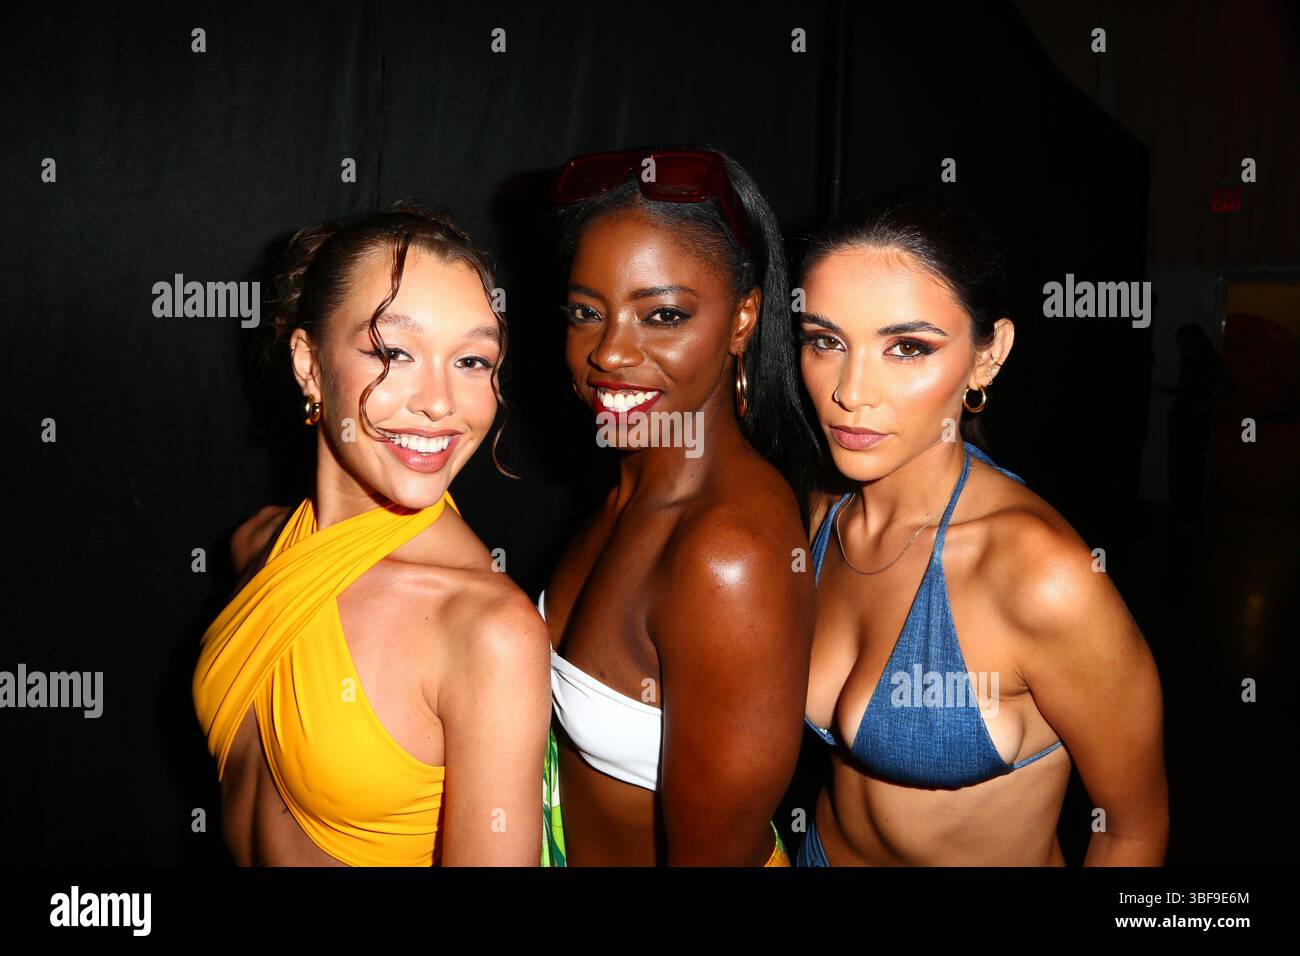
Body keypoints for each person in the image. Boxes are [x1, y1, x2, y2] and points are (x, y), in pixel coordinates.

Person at [794, 188, 1168, 865]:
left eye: (906, 348)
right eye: (826, 341)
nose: (850, 391)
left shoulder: (1042, 577)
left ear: (988, 356)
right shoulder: (823, 512)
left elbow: (1131, 830)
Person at [192, 203, 551, 866]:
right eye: (393, 352)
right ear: (308, 363)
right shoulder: (260, 545)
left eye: (472, 360)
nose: (440, 402)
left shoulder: (486, 631)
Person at [541, 146, 820, 865]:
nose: (609, 354)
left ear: (743, 320)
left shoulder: (730, 551)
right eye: (584, 312)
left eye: (662, 315)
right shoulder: (626, 488)